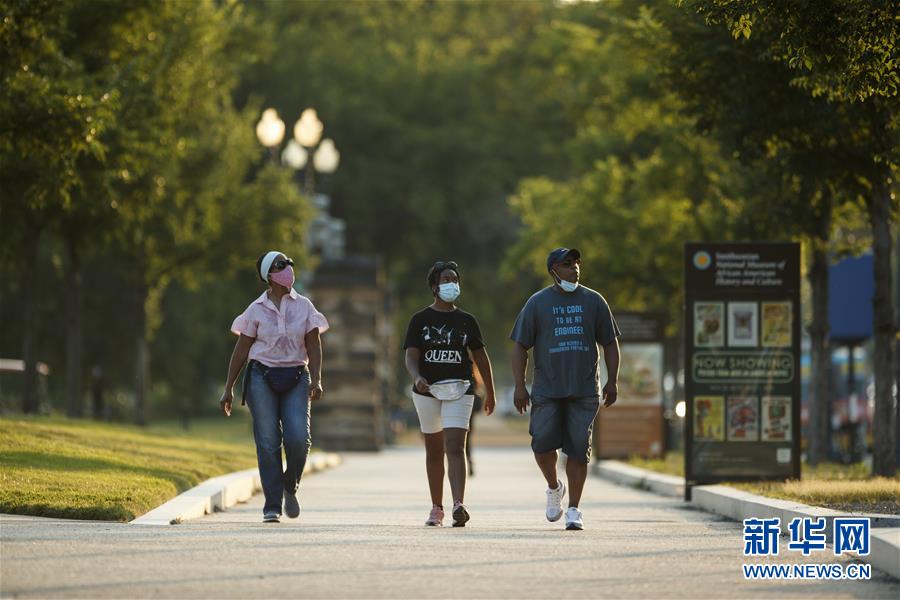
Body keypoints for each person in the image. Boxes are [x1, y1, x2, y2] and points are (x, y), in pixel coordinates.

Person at [510, 248, 620, 531]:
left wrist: (612, 380)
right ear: (553, 270)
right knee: (541, 444)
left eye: (577, 263)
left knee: (578, 448)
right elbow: (520, 345)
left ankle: (574, 510)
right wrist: (520, 386)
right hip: (547, 389)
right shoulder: (537, 303)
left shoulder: (594, 301)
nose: (575, 268)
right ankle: (553, 486)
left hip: (584, 389)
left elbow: (609, 342)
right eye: (567, 264)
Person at [219, 250, 329, 523]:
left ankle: (290, 485)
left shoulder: (304, 306)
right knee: (268, 441)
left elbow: (314, 345)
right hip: (261, 376)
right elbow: (242, 349)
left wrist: (316, 379)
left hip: (296, 375)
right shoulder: (256, 310)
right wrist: (229, 387)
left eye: (290, 263)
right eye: (282, 265)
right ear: (269, 274)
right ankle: (272, 504)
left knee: (298, 439)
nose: (289, 268)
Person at [403, 260, 497, 527]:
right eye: (445, 279)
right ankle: (436, 508)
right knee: (434, 451)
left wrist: (489, 392)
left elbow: (481, 357)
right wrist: (417, 376)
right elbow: (411, 355)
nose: (451, 284)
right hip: (427, 391)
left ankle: (459, 504)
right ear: (434, 287)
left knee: (455, 447)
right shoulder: (419, 320)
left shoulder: (467, 321)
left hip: (461, 389)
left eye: (454, 279)